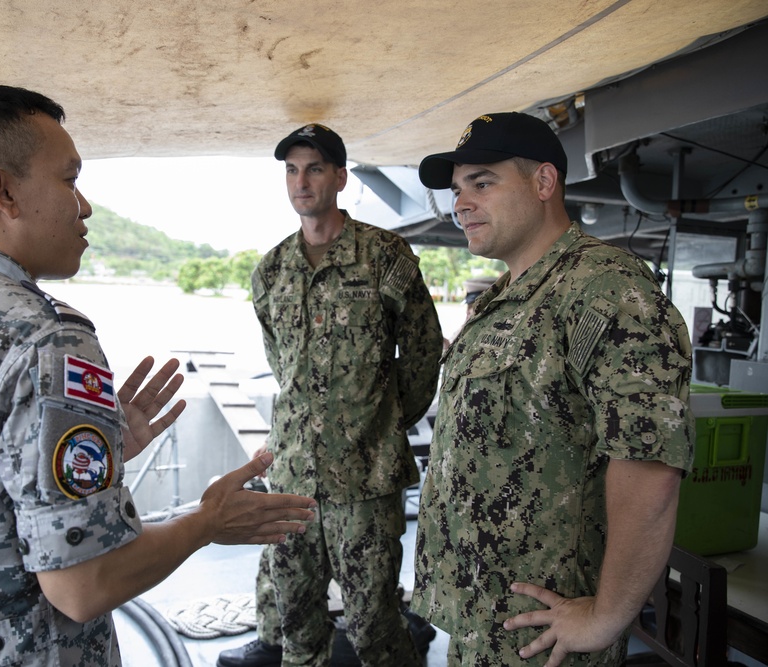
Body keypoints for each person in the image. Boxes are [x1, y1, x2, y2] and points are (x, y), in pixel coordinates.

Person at [0, 85, 318, 665]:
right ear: (2, 189)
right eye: (69, 179)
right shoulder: (45, 338)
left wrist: (102, 455)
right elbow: (84, 586)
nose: (85, 206)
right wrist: (206, 521)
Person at [411, 112, 694, 666]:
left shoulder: (604, 289)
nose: (460, 203)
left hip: (547, 638)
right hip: (482, 618)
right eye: (457, 189)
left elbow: (650, 465)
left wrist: (606, 617)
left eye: (482, 183)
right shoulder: (502, 298)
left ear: (544, 183)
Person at [219, 124, 443, 667]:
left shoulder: (383, 255)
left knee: (375, 628)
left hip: (365, 480)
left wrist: (381, 421)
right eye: (292, 170)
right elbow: (281, 363)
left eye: (315, 168)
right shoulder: (271, 271)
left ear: (340, 177)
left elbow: (421, 350)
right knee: (297, 625)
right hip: (294, 478)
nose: (302, 181)